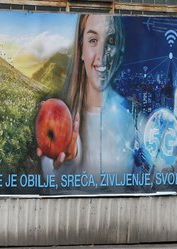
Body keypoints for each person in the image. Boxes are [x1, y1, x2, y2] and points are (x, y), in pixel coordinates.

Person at [37, 14, 137, 182]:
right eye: (93, 40)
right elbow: (54, 182)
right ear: (80, 49)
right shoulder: (59, 119)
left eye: (111, 41)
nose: (101, 55)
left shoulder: (127, 119)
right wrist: (68, 161)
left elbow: (133, 183)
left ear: (120, 50)